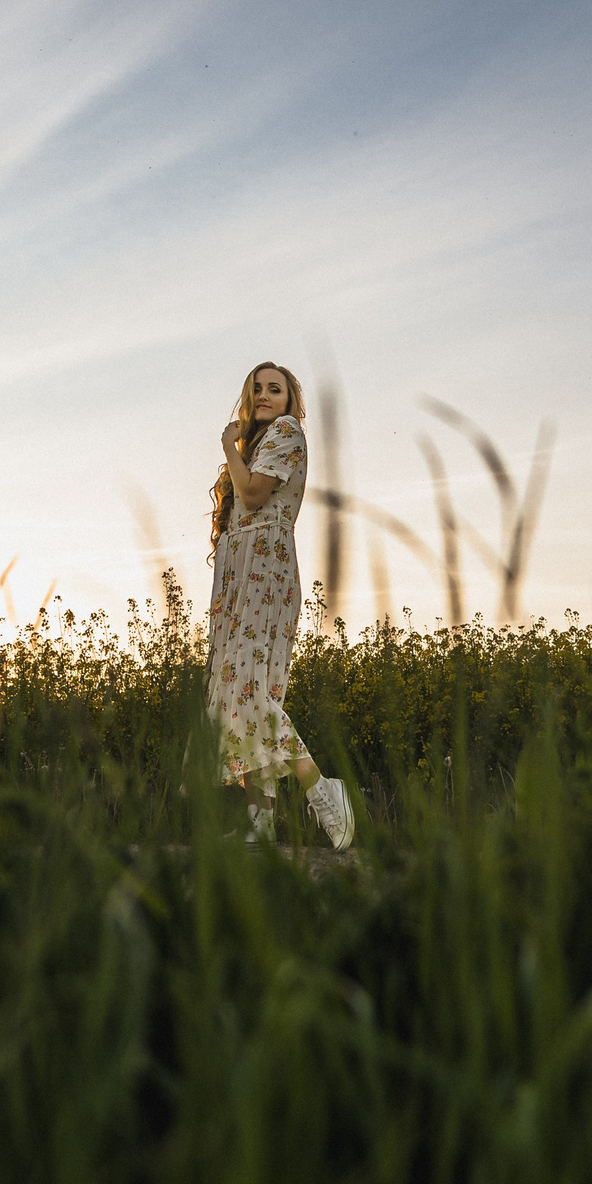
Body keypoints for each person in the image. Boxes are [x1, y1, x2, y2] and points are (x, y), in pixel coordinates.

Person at [205, 360, 355, 847]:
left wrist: (228, 444)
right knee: (242, 693)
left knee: (251, 692)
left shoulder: (287, 432)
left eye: (277, 389)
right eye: (258, 390)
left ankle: (320, 788)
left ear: (291, 401)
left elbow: (251, 496)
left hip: (265, 568)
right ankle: (260, 821)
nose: (267, 396)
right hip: (241, 571)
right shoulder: (258, 444)